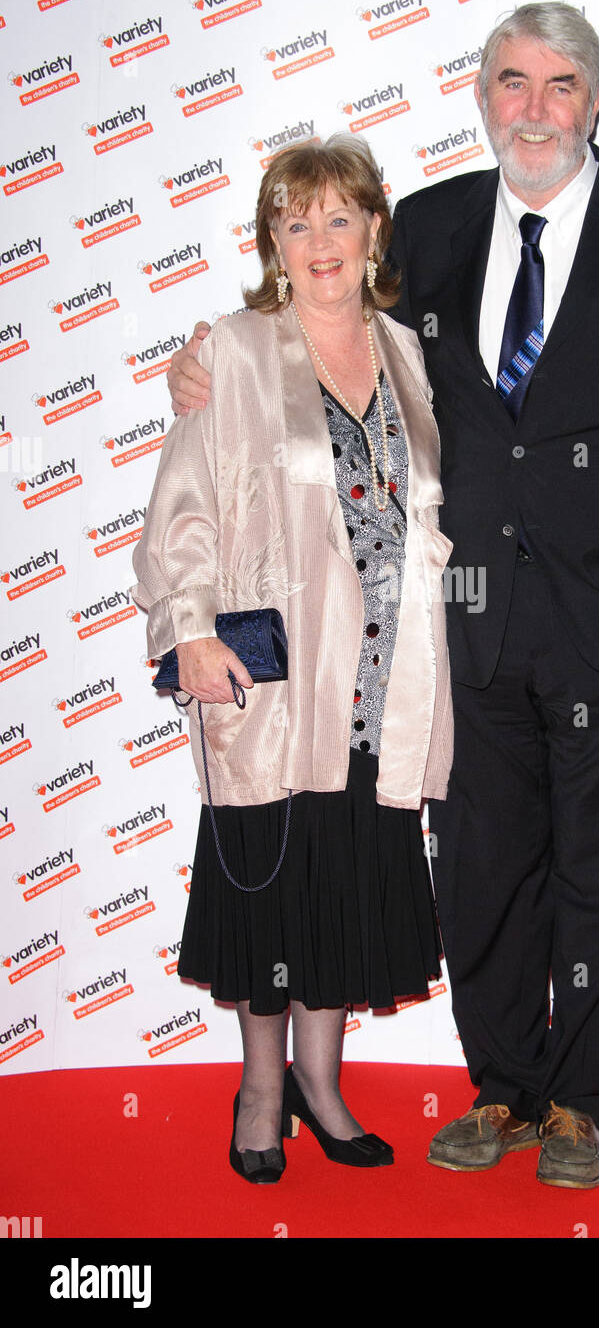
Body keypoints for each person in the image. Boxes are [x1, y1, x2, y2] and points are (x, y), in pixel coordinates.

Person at [166, 2, 599, 1190]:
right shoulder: (427, 229)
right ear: (479, 93)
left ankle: (580, 1103)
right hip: (459, 626)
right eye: (510, 82)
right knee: (481, 865)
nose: (532, 108)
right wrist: (213, 356)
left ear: (597, 99)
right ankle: (501, 1085)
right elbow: (324, 323)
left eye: (559, 85)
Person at [132, 134, 453, 1184]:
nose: (319, 239)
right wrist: (187, 626)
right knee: (270, 897)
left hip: (381, 684)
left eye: (338, 216)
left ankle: (322, 1085)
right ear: (273, 238)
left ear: (372, 230)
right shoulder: (231, 347)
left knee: (344, 893)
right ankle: (261, 1092)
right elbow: (180, 508)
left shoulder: (407, 352)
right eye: (295, 219)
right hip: (271, 685)